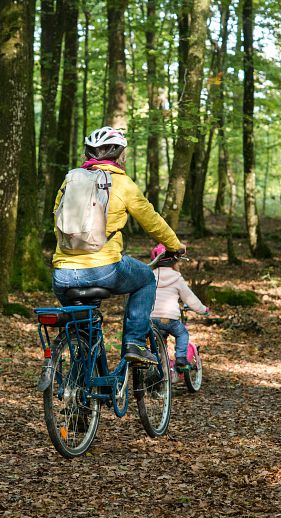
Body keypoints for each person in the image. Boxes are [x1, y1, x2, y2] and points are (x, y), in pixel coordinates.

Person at [51, 126, 185, 365]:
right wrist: (175, 245)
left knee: (86, 331)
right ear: (119, 154)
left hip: (63, 274)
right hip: (105, 269)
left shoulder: (70, 179)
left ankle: (84, 387)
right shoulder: (122, 183)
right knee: (145, 278)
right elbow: (151, 220)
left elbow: (56, 217)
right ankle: (134, 342)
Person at [149, 244, 209, 370]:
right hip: (169, 320)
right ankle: (181, 358)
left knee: (156, 340)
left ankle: (155, 367)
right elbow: (190, 298)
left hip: (151, 318)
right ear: (175, 261)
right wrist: (203, 310)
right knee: (182, 334)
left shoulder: (149, 276)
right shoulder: (176, 278)